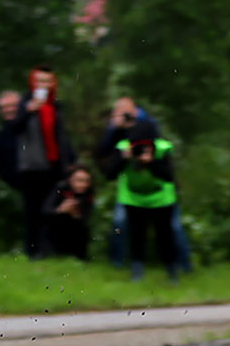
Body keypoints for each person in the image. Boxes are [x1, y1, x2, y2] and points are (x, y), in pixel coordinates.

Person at [95, 97, 192, 272]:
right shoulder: (119, 135)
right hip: (132, 195)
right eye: (119, 110)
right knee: (123, 225)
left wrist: (150, 161)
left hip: (161, 195)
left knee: (173, 228)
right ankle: (121, 265)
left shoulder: (150, 125)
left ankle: (183, 266)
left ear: (135, 109)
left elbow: (167, 173)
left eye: (126, 110)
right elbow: (105, 159)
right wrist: (116, 131)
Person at [100, 119, 180, 281]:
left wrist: (151, 162)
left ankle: (172, 272)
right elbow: (109, 175)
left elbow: (169, 176)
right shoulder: (124, 148)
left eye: (146, 145)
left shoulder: (162, 149)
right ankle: (137, 272)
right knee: (137, 235)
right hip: (134, 199)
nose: (142, 148)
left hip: (161, 200)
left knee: (165, 236)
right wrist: (123, 158)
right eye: (138, 145)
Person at [12, 66, 75, 258]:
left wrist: (69, 161)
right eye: (40, 81)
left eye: (47, 81)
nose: (43, 85)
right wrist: (28, 110)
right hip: (32, 166)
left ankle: (48, 249)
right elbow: (14, 128)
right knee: (32, 210)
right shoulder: (24, 103)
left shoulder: (55, 106)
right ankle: (32, 251)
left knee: (50, 208)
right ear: (33, 83)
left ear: (53, 83)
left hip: (54, 165)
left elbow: (61, 136)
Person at [42, 164, 95, 261]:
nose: (83, 184)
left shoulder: (88, 193)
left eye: (86, 181)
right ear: (71, 180)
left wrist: (76, 214)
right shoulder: (60, 188)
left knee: (83, 229)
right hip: (55, 228)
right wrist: (60, 210)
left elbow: (87, 216)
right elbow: (45, 211)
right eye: (79, 180)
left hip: (76, 228)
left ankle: (80, 256)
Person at [0, 90, 23, 190]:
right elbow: (0, 165)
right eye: (3, 107)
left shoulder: (35, 126)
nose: (8, 110)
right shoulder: (2, 135)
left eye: (12, 105)